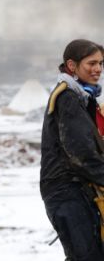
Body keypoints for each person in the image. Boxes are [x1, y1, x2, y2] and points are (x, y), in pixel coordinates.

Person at [41, 39, 104, 260]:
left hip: (77, 190)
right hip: (65, 190)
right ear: (72, 65)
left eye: (101, 63)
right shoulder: (67, 98)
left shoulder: (83, 98)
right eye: (91, 63)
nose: (98, 69)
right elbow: (81, 155)